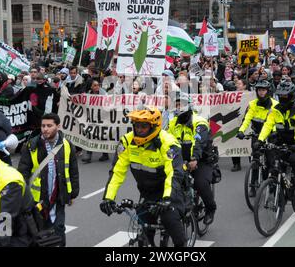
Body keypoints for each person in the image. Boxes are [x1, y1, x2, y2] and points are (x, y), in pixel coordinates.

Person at [100, 106, 187, 247]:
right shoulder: (126, 142)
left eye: (144, 126)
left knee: (171, 223)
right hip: (147, 192)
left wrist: (167, 199)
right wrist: (108, 198)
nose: (139, 129)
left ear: (154, 127)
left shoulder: (168, 142)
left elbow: (174, 173)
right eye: (136, 126)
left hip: (170, 191)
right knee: (144, 230)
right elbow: (117, 172)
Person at [18, 113, 79, 246]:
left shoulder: (67, 145)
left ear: (58, 126)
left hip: (58, 197)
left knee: (59, 228)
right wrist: (23, 197)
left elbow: (73, 170)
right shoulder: (31, 146)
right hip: (37, 199)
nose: (45, 129)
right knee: (40, 232)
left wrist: (73, 193)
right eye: (43, 126)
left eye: (49, 126)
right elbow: (23, 172)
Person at [167, 94, 217, 225]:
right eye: (176, 105)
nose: (179, 107)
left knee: (200, 183)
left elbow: (199, 142)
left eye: (181, 104)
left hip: (202, 160)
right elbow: (166, 141)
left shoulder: (199, 122)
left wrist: (194, 158)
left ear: (188, 105)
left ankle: (210, 209)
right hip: (181, 161)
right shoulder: (173, 123)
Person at [256, 82, 295, 192]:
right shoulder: (274, 109)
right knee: (272, 158)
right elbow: (268, 125)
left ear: (292, 95)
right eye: (280, 95)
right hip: (282, 139)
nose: (282, 98)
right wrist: (260, 140)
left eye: (285, 96)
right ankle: (275, 183)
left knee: (294, 159)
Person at [236, 80, 278, 196]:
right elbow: (247, 119)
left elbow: (275, 122)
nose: (261, 92)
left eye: (263, 90)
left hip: (270, 134)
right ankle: (253, 186)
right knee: (255, 160)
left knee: (270, 161)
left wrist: (273, 133)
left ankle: (273, 184)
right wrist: (241, 131)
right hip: (256, 134)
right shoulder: (252, 104)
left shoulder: (274, 105)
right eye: (259, 90)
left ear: (268, 91)